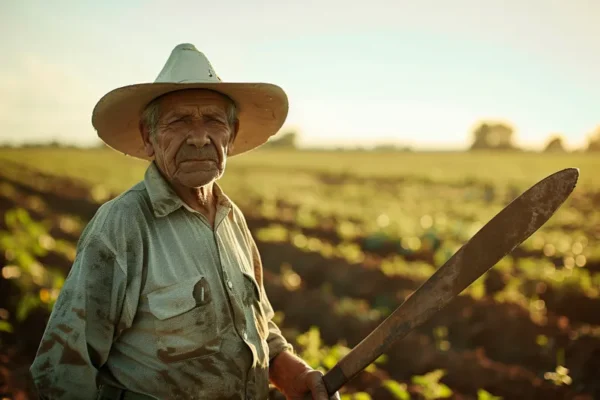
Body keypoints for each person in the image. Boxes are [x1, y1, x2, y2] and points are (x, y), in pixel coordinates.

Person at [29, 43, 340, 400]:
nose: (198, 136)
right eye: (178, 122)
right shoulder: (123, 225)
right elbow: (62, 369)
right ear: (149, 138)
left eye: (213, 120)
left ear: (231, 134)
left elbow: (257, 330)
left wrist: (294, 374)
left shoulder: (231, 219)